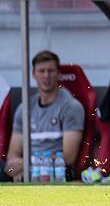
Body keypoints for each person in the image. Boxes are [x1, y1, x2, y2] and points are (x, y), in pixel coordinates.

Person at [1, 51, 84, 182]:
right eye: (41, 71)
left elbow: (68, 157)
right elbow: (13, 153)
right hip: (25, 169)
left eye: (50, 71)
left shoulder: (71, 107)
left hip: (56, 171)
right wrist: (17, 167)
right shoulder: (24, 108)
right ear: (34, 74)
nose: (46, 76)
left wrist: (26, 163)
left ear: (58, 74)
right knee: (5, 169)